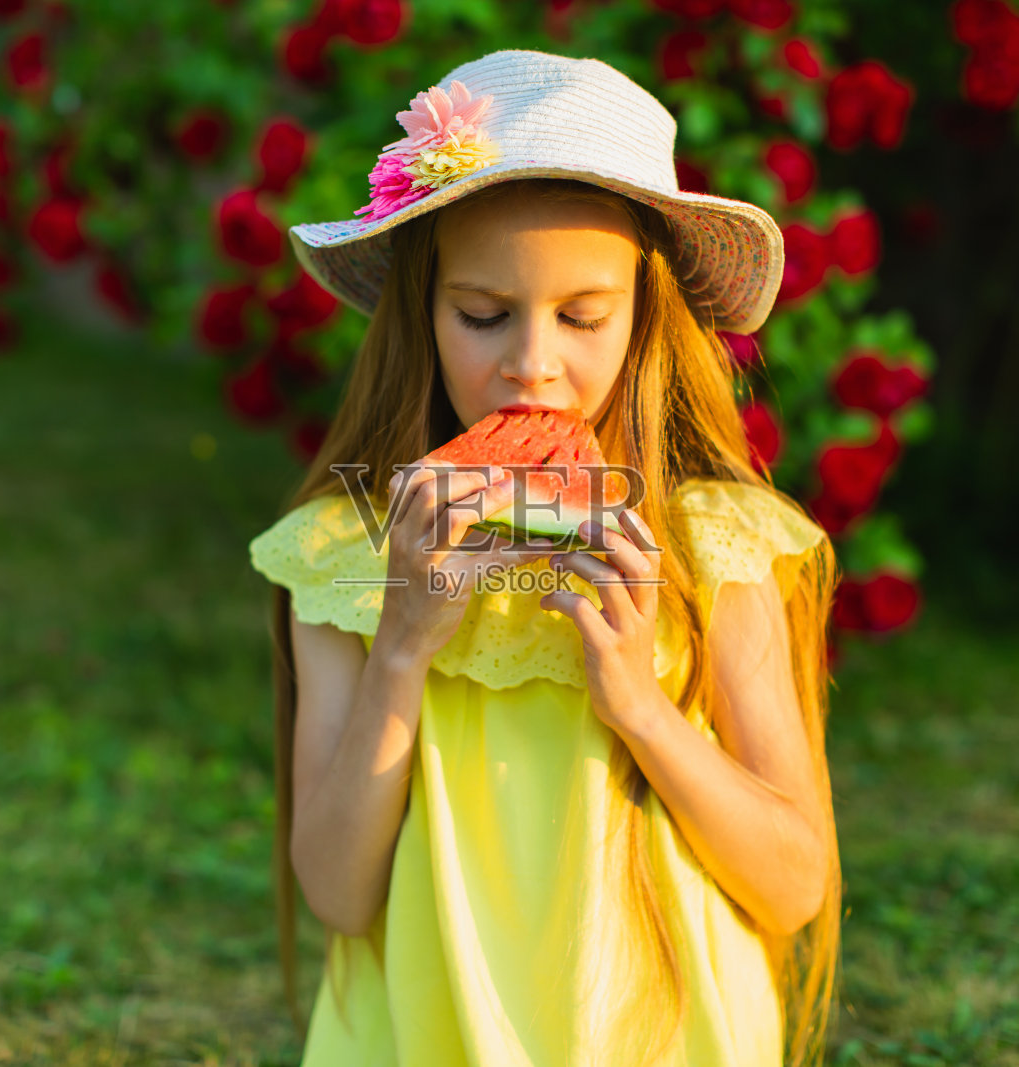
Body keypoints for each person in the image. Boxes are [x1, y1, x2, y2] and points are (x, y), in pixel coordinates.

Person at [247, 49, 843, 1067]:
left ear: (646, 320)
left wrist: (639, 702)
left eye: (581, 316)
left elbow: (793, 885)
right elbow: (339, 894)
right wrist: (400, 644)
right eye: (482, 314)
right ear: (422, 315)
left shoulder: (713, 546)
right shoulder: (348, 555)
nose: (530, 362)